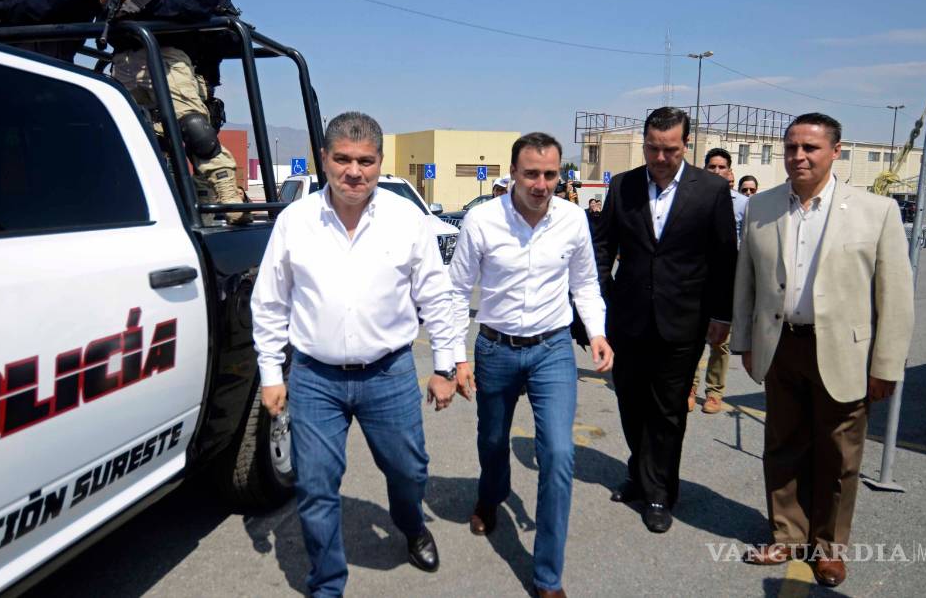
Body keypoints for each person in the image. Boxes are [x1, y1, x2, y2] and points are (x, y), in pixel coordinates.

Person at [251, 112, 461, 597]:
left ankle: (411, 525)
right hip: (315, 379)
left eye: (365, 161)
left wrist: (445, 365)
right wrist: (271, 372)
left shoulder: (406, 220)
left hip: (389, 374)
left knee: (408, 471)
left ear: (380, 162)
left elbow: (437, 296)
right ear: (324, 159)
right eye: (343, 159)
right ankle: (327, 583)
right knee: (315, 486)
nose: (354, 171)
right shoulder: (295, 222)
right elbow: (270, 302)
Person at [732, 113, 914, 587]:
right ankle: (787, 535)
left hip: (845, 352)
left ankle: (829, 547)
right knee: (782, 446)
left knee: (839, 457)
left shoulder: (876, 211)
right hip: (782, 347)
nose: (799, 156)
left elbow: (895, 297)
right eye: (791, 147)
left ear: (836, 151)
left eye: (810, 147)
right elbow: (746, 281)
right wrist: (745, 342)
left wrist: (886, 365)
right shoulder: (762, 206)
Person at [448, 132, 612, 598]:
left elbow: (585, 283)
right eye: (531, 174)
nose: (541, 184)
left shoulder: (572, 219)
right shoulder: (482, 220)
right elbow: (457, 291)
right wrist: (456, 356)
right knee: (492, 440)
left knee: (558, 453)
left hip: (552, 350)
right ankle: (491, 495)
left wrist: (597, 332)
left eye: (550, 174)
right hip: (496, 349)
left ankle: (547, 577)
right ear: (513, 174)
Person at [592, 106, 737, 533]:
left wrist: (722, 315)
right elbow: (602, 247)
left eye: (669, 149)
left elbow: (724, 258)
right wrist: (601, 299)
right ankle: (640, 474)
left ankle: (659, 492)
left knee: (668, 410)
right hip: (628, 319)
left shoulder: (710, 189)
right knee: (631, 402)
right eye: (652, 148)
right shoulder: (623, 186)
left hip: (683, 321)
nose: (660, 157)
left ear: (685, 145)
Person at [103, 0, 249, 224]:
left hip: (172, 61)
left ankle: (228, 196)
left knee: (194, 128)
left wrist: (145, 8)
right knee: (126, 133)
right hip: (126, 59)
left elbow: (196, 4)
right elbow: (110, 4)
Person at [689, 148, 749, 413]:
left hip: (725, 278)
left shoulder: (743, 204)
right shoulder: (693, 198)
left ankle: (714, 392)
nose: (716, 171)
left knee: (720, 341)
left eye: (721, 167)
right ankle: (689, 387)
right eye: (711, 167)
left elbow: (747, 243)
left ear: (729, 171)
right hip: (697, 277)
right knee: (692, 336)